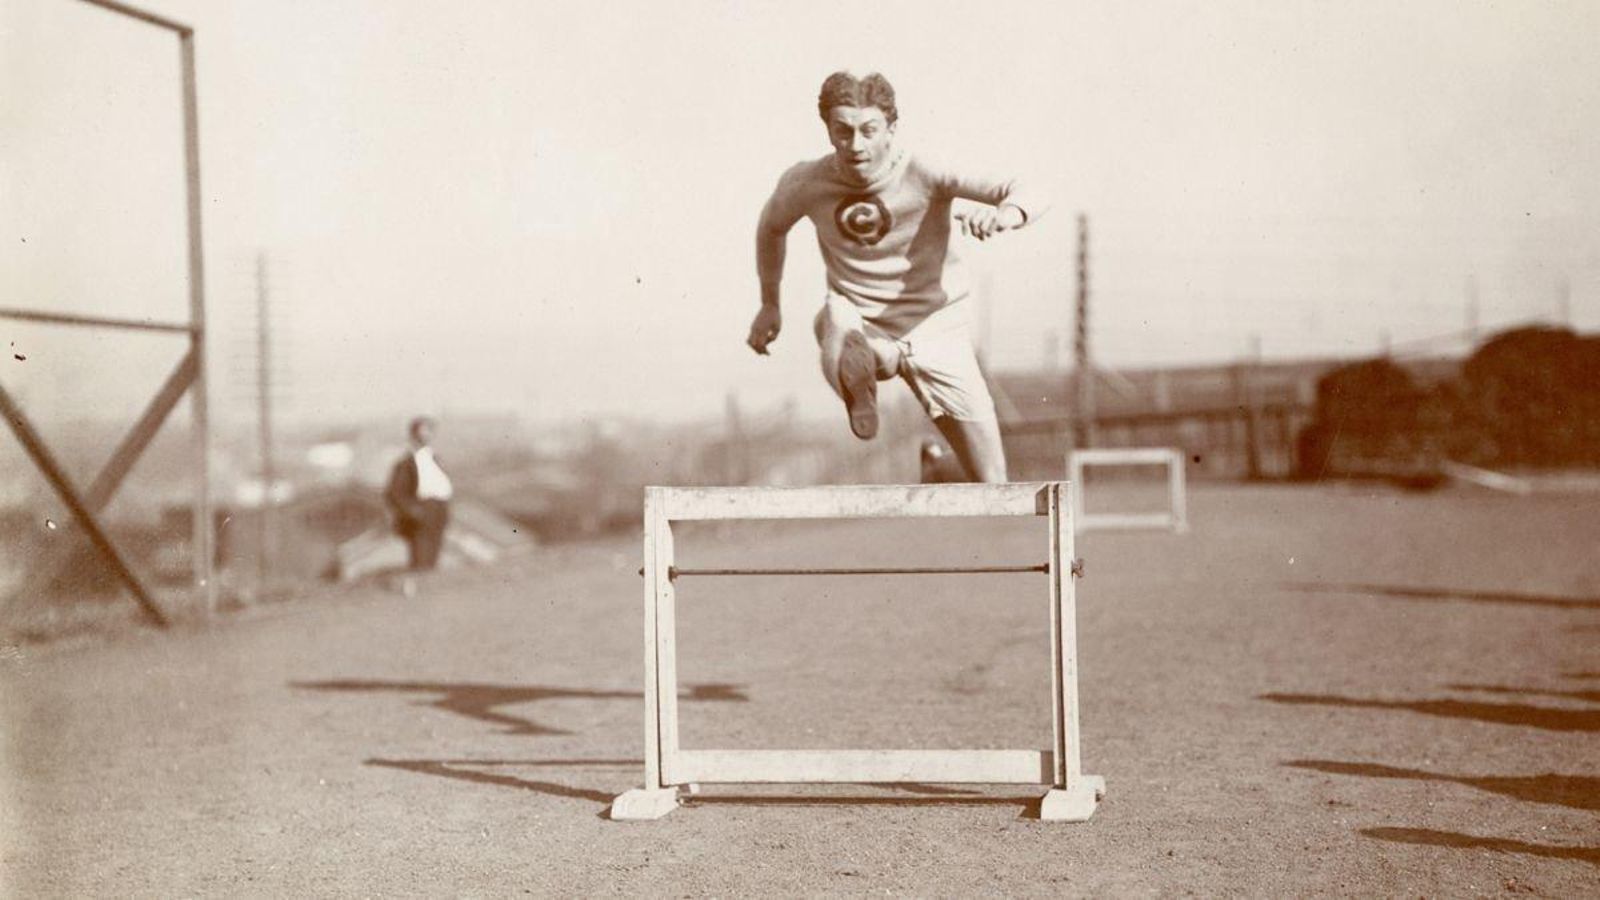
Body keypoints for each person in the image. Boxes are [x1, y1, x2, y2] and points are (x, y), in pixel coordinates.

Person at [748, 70, 1046, 483]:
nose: (856, 145)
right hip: (858, 318)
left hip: (937, 325)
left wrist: (1005, 214)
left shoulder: (926, 169)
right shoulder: (805, 182)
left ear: (891, 128)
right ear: (828, 131)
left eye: (869, 130)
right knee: (837, 320)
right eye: (843, 131)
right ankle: (869, 364)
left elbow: (1029, 189)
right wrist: (769, 304)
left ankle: (936, 465)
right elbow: (770, 228)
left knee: (993, 482)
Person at [383, 416, 452, 594]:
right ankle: (417, 597)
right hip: (421, 514)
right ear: (413, 436)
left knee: (433, 557)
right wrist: (414, 512)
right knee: (421, 559)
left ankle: (429, 596)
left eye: (429, 432)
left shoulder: (434, 458)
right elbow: (394, 493)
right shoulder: (405, 464)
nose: (426, 436)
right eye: (422, 433)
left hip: (438, 512)